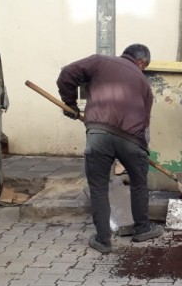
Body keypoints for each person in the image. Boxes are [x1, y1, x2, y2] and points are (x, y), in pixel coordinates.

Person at [57, 44, 161, 254]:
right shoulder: (144, 83)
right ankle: (142, 229)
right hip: (132, 139)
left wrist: (70, 103)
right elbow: (145, 123)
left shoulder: (99, 61)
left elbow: (67, 73)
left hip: (99, 134)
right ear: (140, 62)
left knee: (99, 188)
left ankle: (103, 240)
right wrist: (142, 152)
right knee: (139, 183)